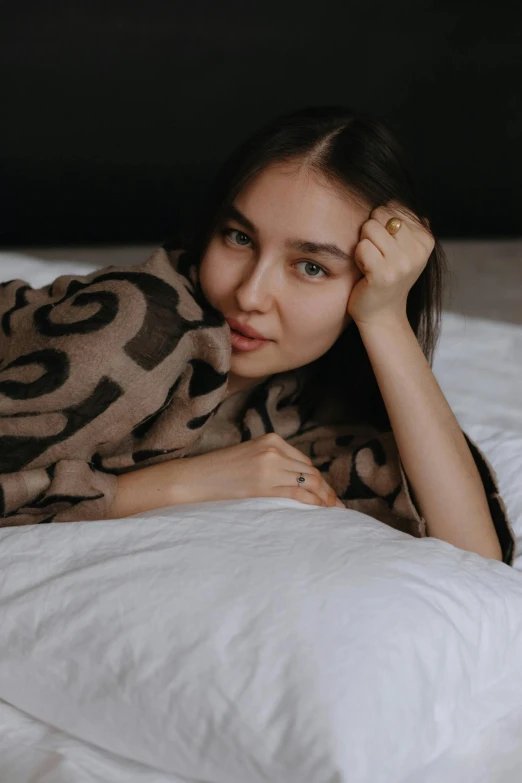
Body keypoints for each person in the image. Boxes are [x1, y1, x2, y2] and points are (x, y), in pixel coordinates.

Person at [0, 105, 514, 564]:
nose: (250, 294)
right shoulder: (139, 327)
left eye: (311, 267)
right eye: (239, 237)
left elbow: (474, 558)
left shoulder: (301, 402)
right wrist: (171, 486)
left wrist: (384, 319)